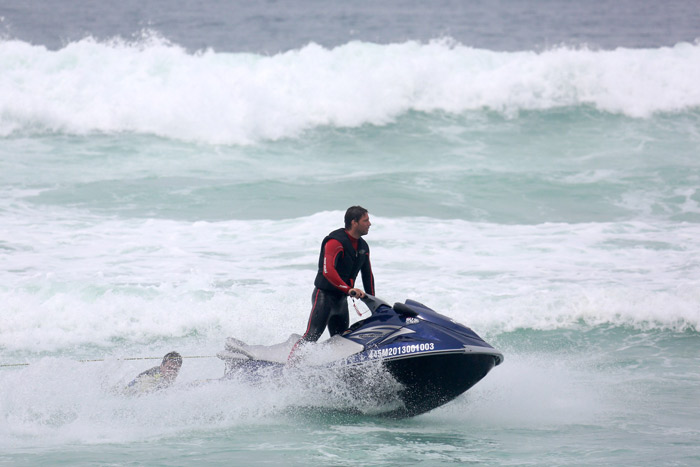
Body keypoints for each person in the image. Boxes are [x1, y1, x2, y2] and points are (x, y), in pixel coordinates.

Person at [289, 206, 375, 362]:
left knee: (341, 340)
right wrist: (349, 289)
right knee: (312, 335)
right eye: (366, 220)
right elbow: (328, 271)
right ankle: (290, 366)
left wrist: (373, 303)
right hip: (324, 298)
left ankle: (337, 371)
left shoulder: (363, 246)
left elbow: (367, 275)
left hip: (341, 301)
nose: (369, 223)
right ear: (354, 222)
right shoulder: (335, 242)